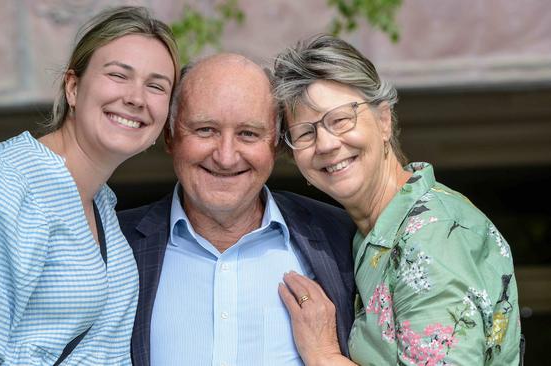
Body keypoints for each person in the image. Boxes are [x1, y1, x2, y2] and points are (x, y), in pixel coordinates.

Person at [0, 6, 179, 365]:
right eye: (118, 75)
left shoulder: (100, 205)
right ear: (73, 87)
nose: (136, 98)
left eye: (156, 86)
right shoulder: (7, 186)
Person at [273, 34, 522, 365]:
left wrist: (322, 355)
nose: (326, 144)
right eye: (306, 133)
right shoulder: (373, 233)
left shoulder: (431, 234)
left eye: (340, 120)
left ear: (384, 121)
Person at [116, 53, 357, 366]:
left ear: (276, 144)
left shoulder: (342, 237)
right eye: (205, 130)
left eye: (248, 133)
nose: (226, 157)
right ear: (170, 136)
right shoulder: (112, 242)